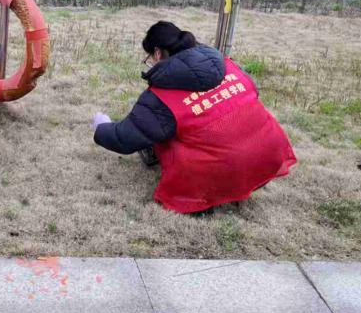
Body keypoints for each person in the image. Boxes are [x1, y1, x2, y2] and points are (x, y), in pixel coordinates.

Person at [92, 21, 297, 214]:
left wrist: (102, 125)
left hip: (219, 176)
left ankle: (199, 197)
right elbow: (253, 93)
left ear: (158, 53)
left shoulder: (160, 98)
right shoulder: (230, 66)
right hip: (268, 157)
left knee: (161, 132)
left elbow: (124, 138)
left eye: (149, 58)